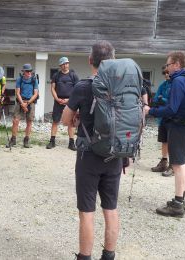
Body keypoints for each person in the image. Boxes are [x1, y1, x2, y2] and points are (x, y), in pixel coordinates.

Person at [62, 40, 122, 260]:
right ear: (113, 61)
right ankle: (108, 256)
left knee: (87, 211)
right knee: (111, 208)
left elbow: (65, 119)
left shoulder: (83, 86)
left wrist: (79, 118)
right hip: (116, 153)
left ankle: (85, 257)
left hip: (89, 155)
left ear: (90, 61)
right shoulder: (122, 85)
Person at [144, 51, 185, 218]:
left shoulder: (179, 81)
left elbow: (172, 108)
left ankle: (178, 205)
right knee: (183, 164)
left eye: (168, 64)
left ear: (177, 64)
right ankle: (181, 200)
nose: (166, 67)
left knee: (178, 165)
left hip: (178, 127)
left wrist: (151, 110)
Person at [46, 57, 79, 151]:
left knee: (71, 123)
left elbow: (77, 90)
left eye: (67, 63)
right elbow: (52, 88)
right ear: (60, 66)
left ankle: (71, 143)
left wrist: (68, 100)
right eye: (63, 64)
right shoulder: (56, 75)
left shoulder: (73, 75)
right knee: (55, 121)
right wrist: (57, 98)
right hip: (58, 102)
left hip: (70, 102)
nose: (66, 65)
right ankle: (52, 141)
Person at [8, 64, 39, 148]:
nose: (29, 72)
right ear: (24, 72)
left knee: (29, 122)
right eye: (27, 71)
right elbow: (17, 93)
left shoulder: (34, 80)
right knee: (15, 120)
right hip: (21, 101)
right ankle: (13, 139)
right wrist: (22, 104)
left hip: (30, 102)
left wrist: (27, 103)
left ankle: (26, 140)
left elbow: (36, 94)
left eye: (30, 71)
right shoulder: (19, 79)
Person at [151, 70, 174, 176]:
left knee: (172, 142)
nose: (166, 74)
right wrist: (158, 100)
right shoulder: (163, 85)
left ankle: (173, 165)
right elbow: (156, 98)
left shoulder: (175, 84)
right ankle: (164, 162)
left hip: (172, 119)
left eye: (168, 72)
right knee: (164, 141)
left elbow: (173, 101)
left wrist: (163, 100)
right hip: (162, 118)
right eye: (164, 73)